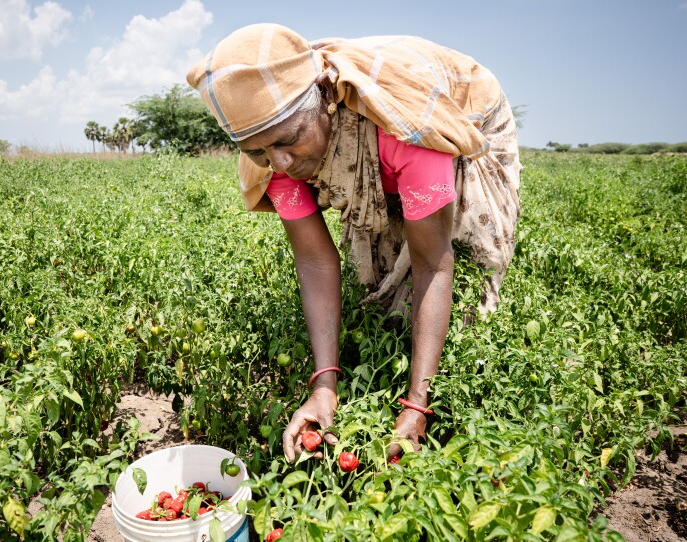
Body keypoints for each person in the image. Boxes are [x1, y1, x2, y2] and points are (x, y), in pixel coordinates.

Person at [186, 24, 521, 462]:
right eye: (258, 151)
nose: (280, 162)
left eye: (288, 140)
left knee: (458, 254)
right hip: (379, 148)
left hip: (467, 113)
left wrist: (417, 406)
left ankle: (434, 377)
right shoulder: (270, 160)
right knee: (386, 274)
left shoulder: (410, 129)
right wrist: (324, 385)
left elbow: (433, 265)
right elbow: (315, 261)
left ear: (326, 97)